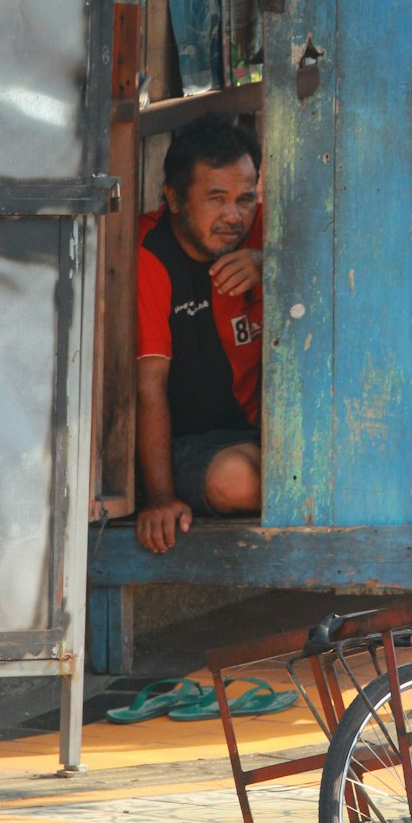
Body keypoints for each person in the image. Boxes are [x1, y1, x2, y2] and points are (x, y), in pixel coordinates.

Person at [135, 113, 262, 553]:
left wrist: (270, 261)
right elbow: (149, 385)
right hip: (193, 446)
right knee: (240, 481)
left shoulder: (267, 232)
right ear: (173, 198)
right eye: (216, 198)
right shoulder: (150, 255)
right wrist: (161, 498)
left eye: (245, 198)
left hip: (269, 431)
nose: (234, 215)